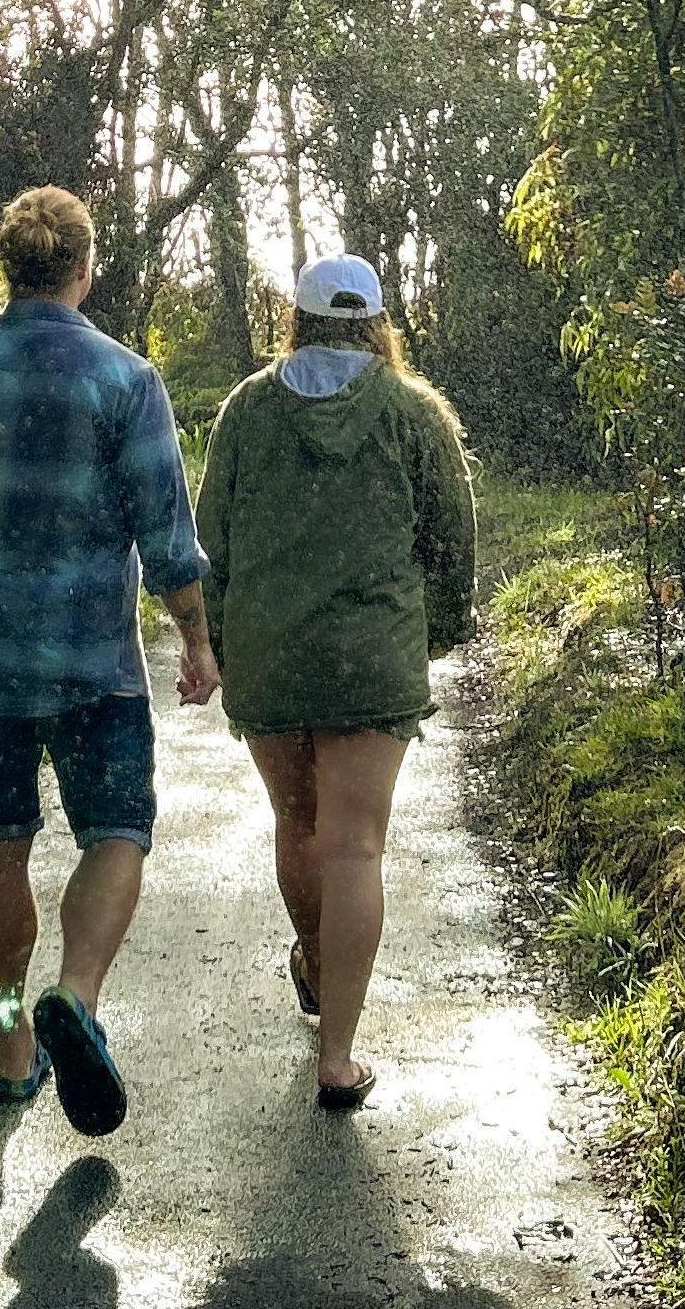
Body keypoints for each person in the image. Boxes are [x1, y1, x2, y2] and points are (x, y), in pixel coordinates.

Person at [0, 185, 218, 1135]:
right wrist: (193, 635)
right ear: (83, 270)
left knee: (0, 845)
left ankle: (8, 1038)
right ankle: (79, 996)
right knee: (116, 832)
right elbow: (164, 528)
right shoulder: (124, 381)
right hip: (92, 666)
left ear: (7, 268)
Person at [194, 253, 475, 1111]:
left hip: (270, 654)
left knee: (298, 824)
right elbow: (451, 539)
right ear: (378, 322)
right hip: (371, 657)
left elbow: (212, 536)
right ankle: (338, 1055)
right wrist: (440, 631)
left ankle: (316, 965)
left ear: (300, 318)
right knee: (355, 847)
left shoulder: (247, 409)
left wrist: (212, 635)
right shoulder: (412, 412)